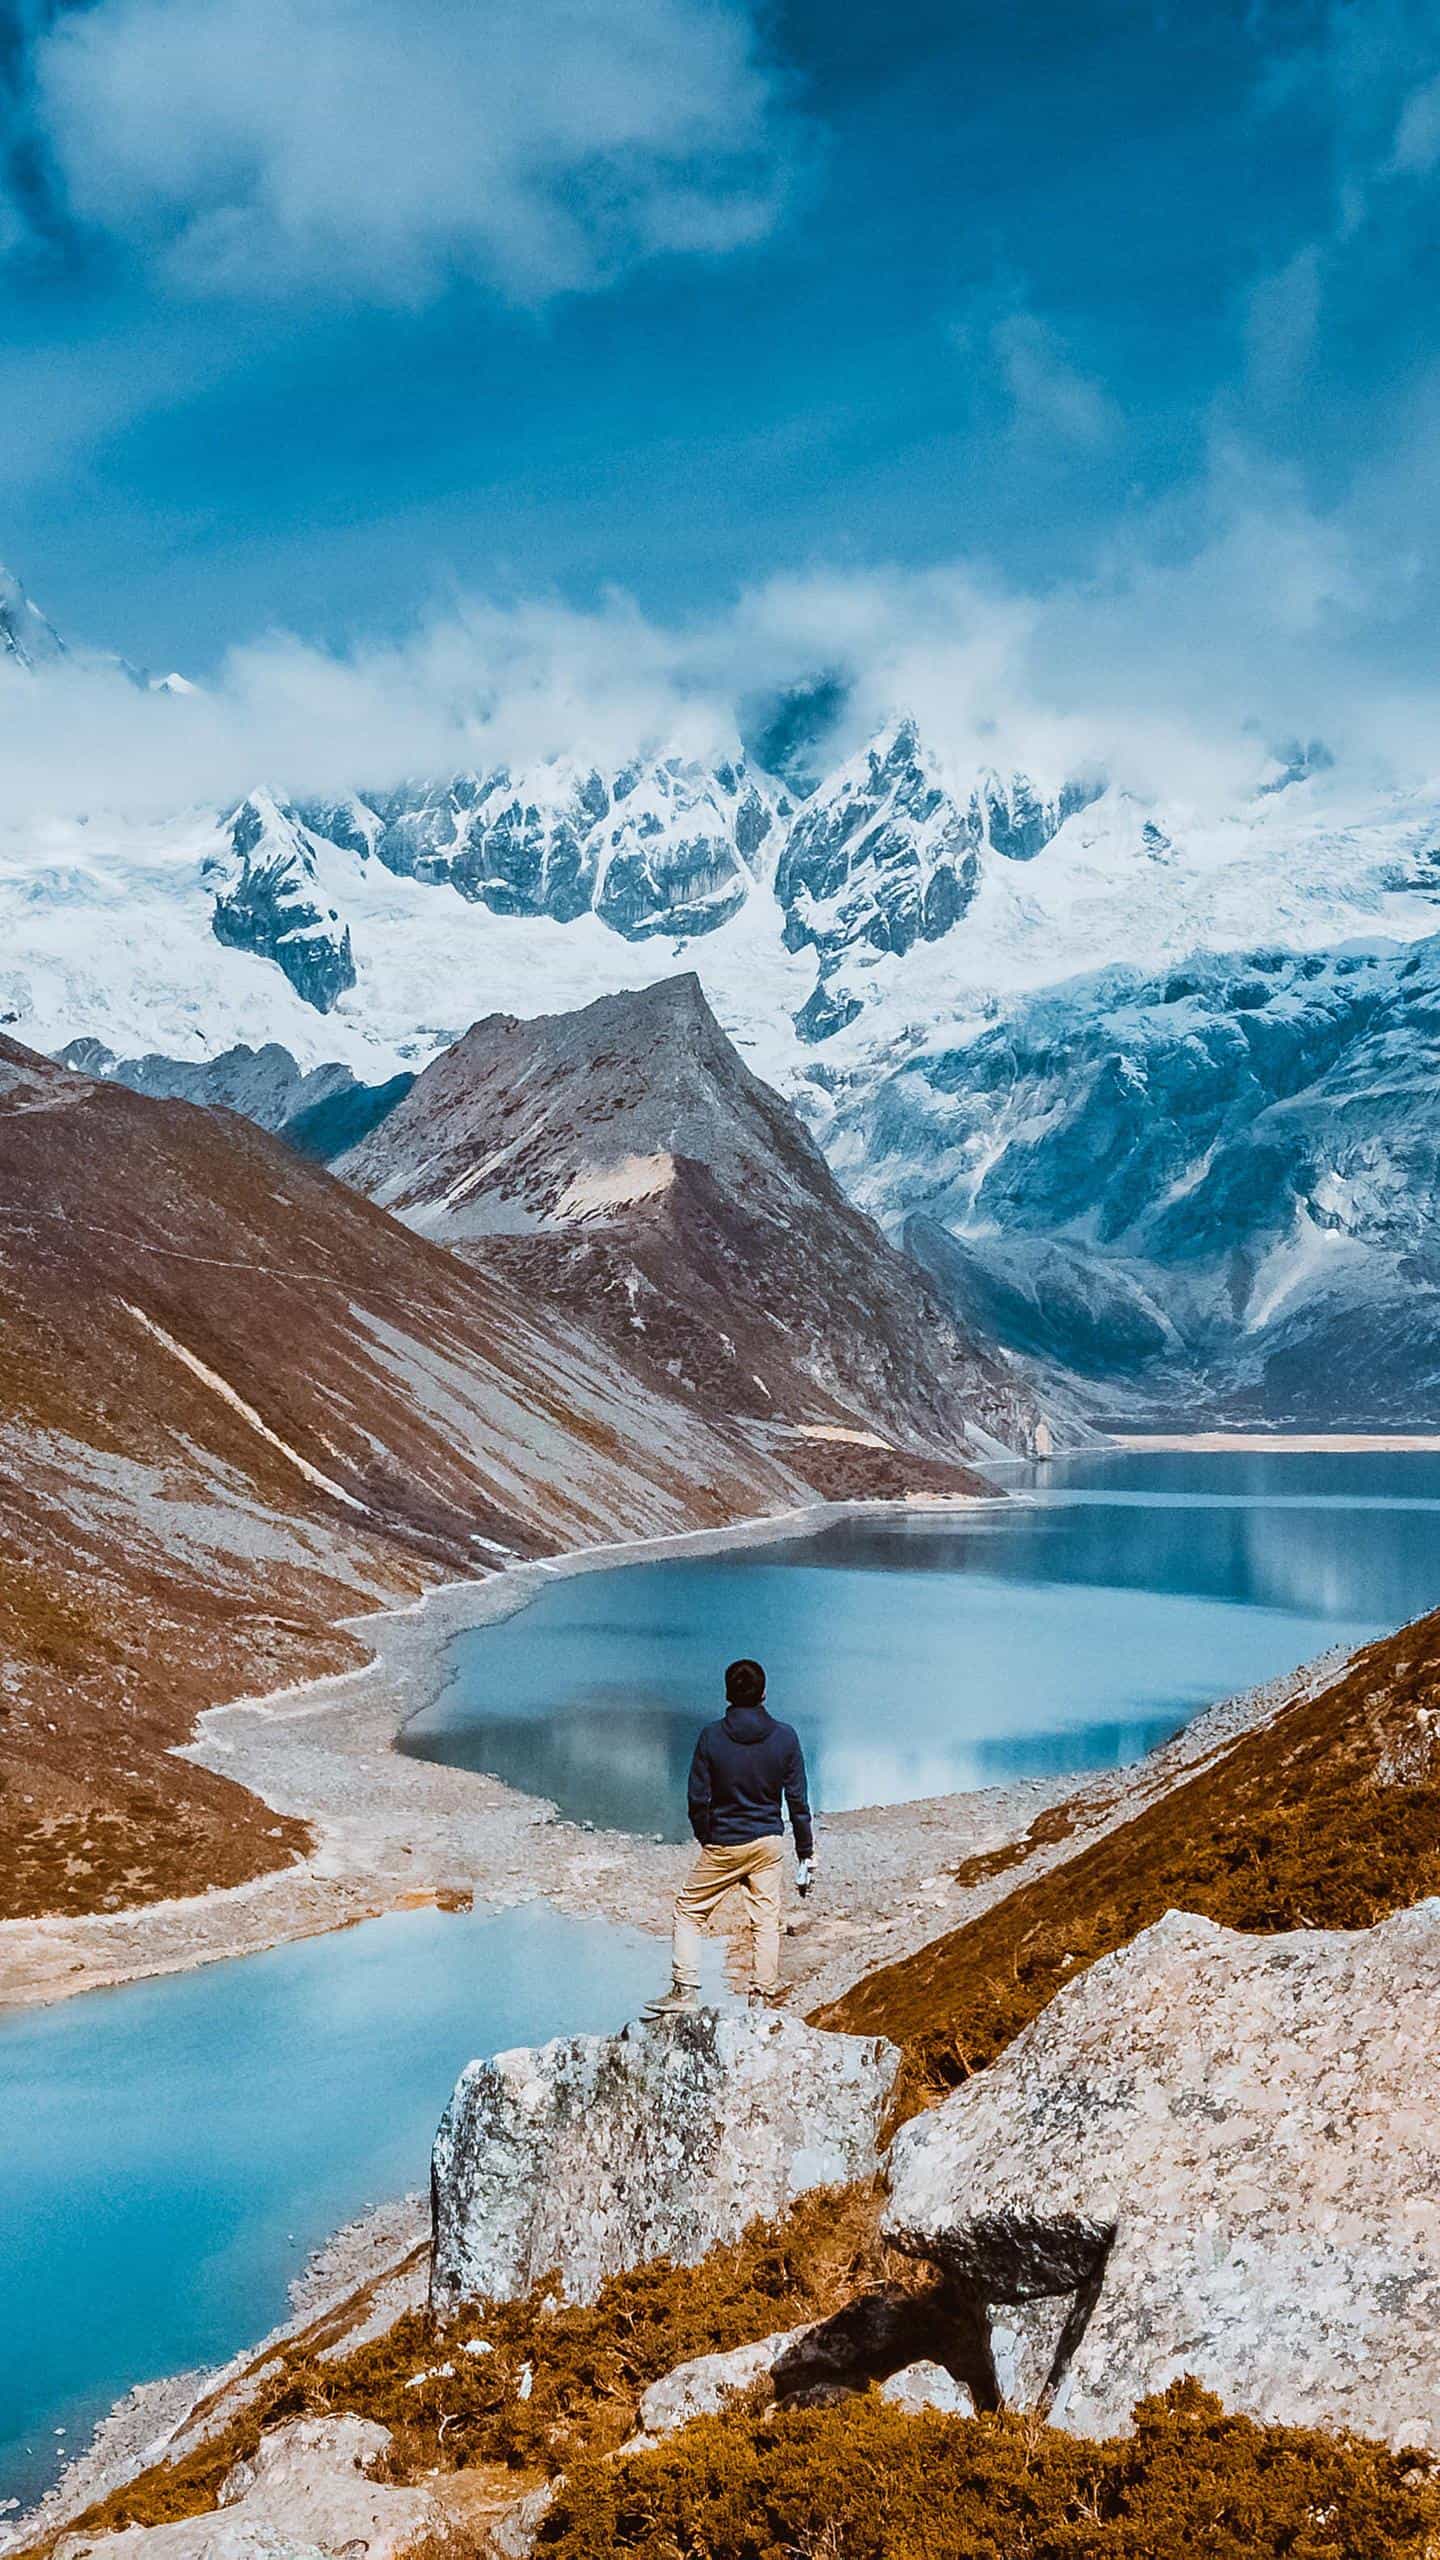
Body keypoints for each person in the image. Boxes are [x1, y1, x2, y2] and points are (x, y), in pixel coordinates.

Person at [644, 1657, 814, 2017]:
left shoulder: (712, 1737)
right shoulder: (785, 1737)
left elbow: (697, 1798)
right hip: (768, 1842)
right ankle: (761, 1998)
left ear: (727, 1694)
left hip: (725, 1841)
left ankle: (685, 1990)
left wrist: (706, 1836)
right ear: (764, 1693)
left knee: (689, 1910)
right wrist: (805, 1851)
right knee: (766, 1921)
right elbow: (798, 1800)